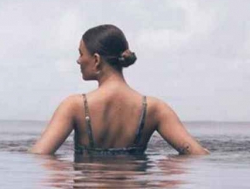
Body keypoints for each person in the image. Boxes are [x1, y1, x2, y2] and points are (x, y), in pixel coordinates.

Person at [30, 23, 208, 156]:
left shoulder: (74, 106)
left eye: (81, 53)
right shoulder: (155, 108)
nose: (78, 60)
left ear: (96, 59)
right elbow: (197, 154)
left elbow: (40, 155)